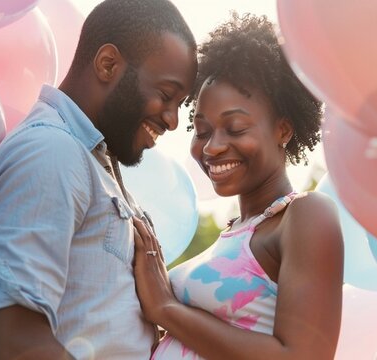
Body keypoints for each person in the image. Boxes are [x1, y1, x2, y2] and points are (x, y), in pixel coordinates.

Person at [0, 0, 197, 358]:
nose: (172, 120)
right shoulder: (51, 152)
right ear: (108, 64)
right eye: (167, 96)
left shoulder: (93, 161)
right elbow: (14, 346)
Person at [132, 13, 344, 360]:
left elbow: (303, 356)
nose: (212, 147)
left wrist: (166, 309)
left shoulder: (305, 215)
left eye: (234, 128)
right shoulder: (236, 232)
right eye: (202, 132)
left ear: (284, 130)